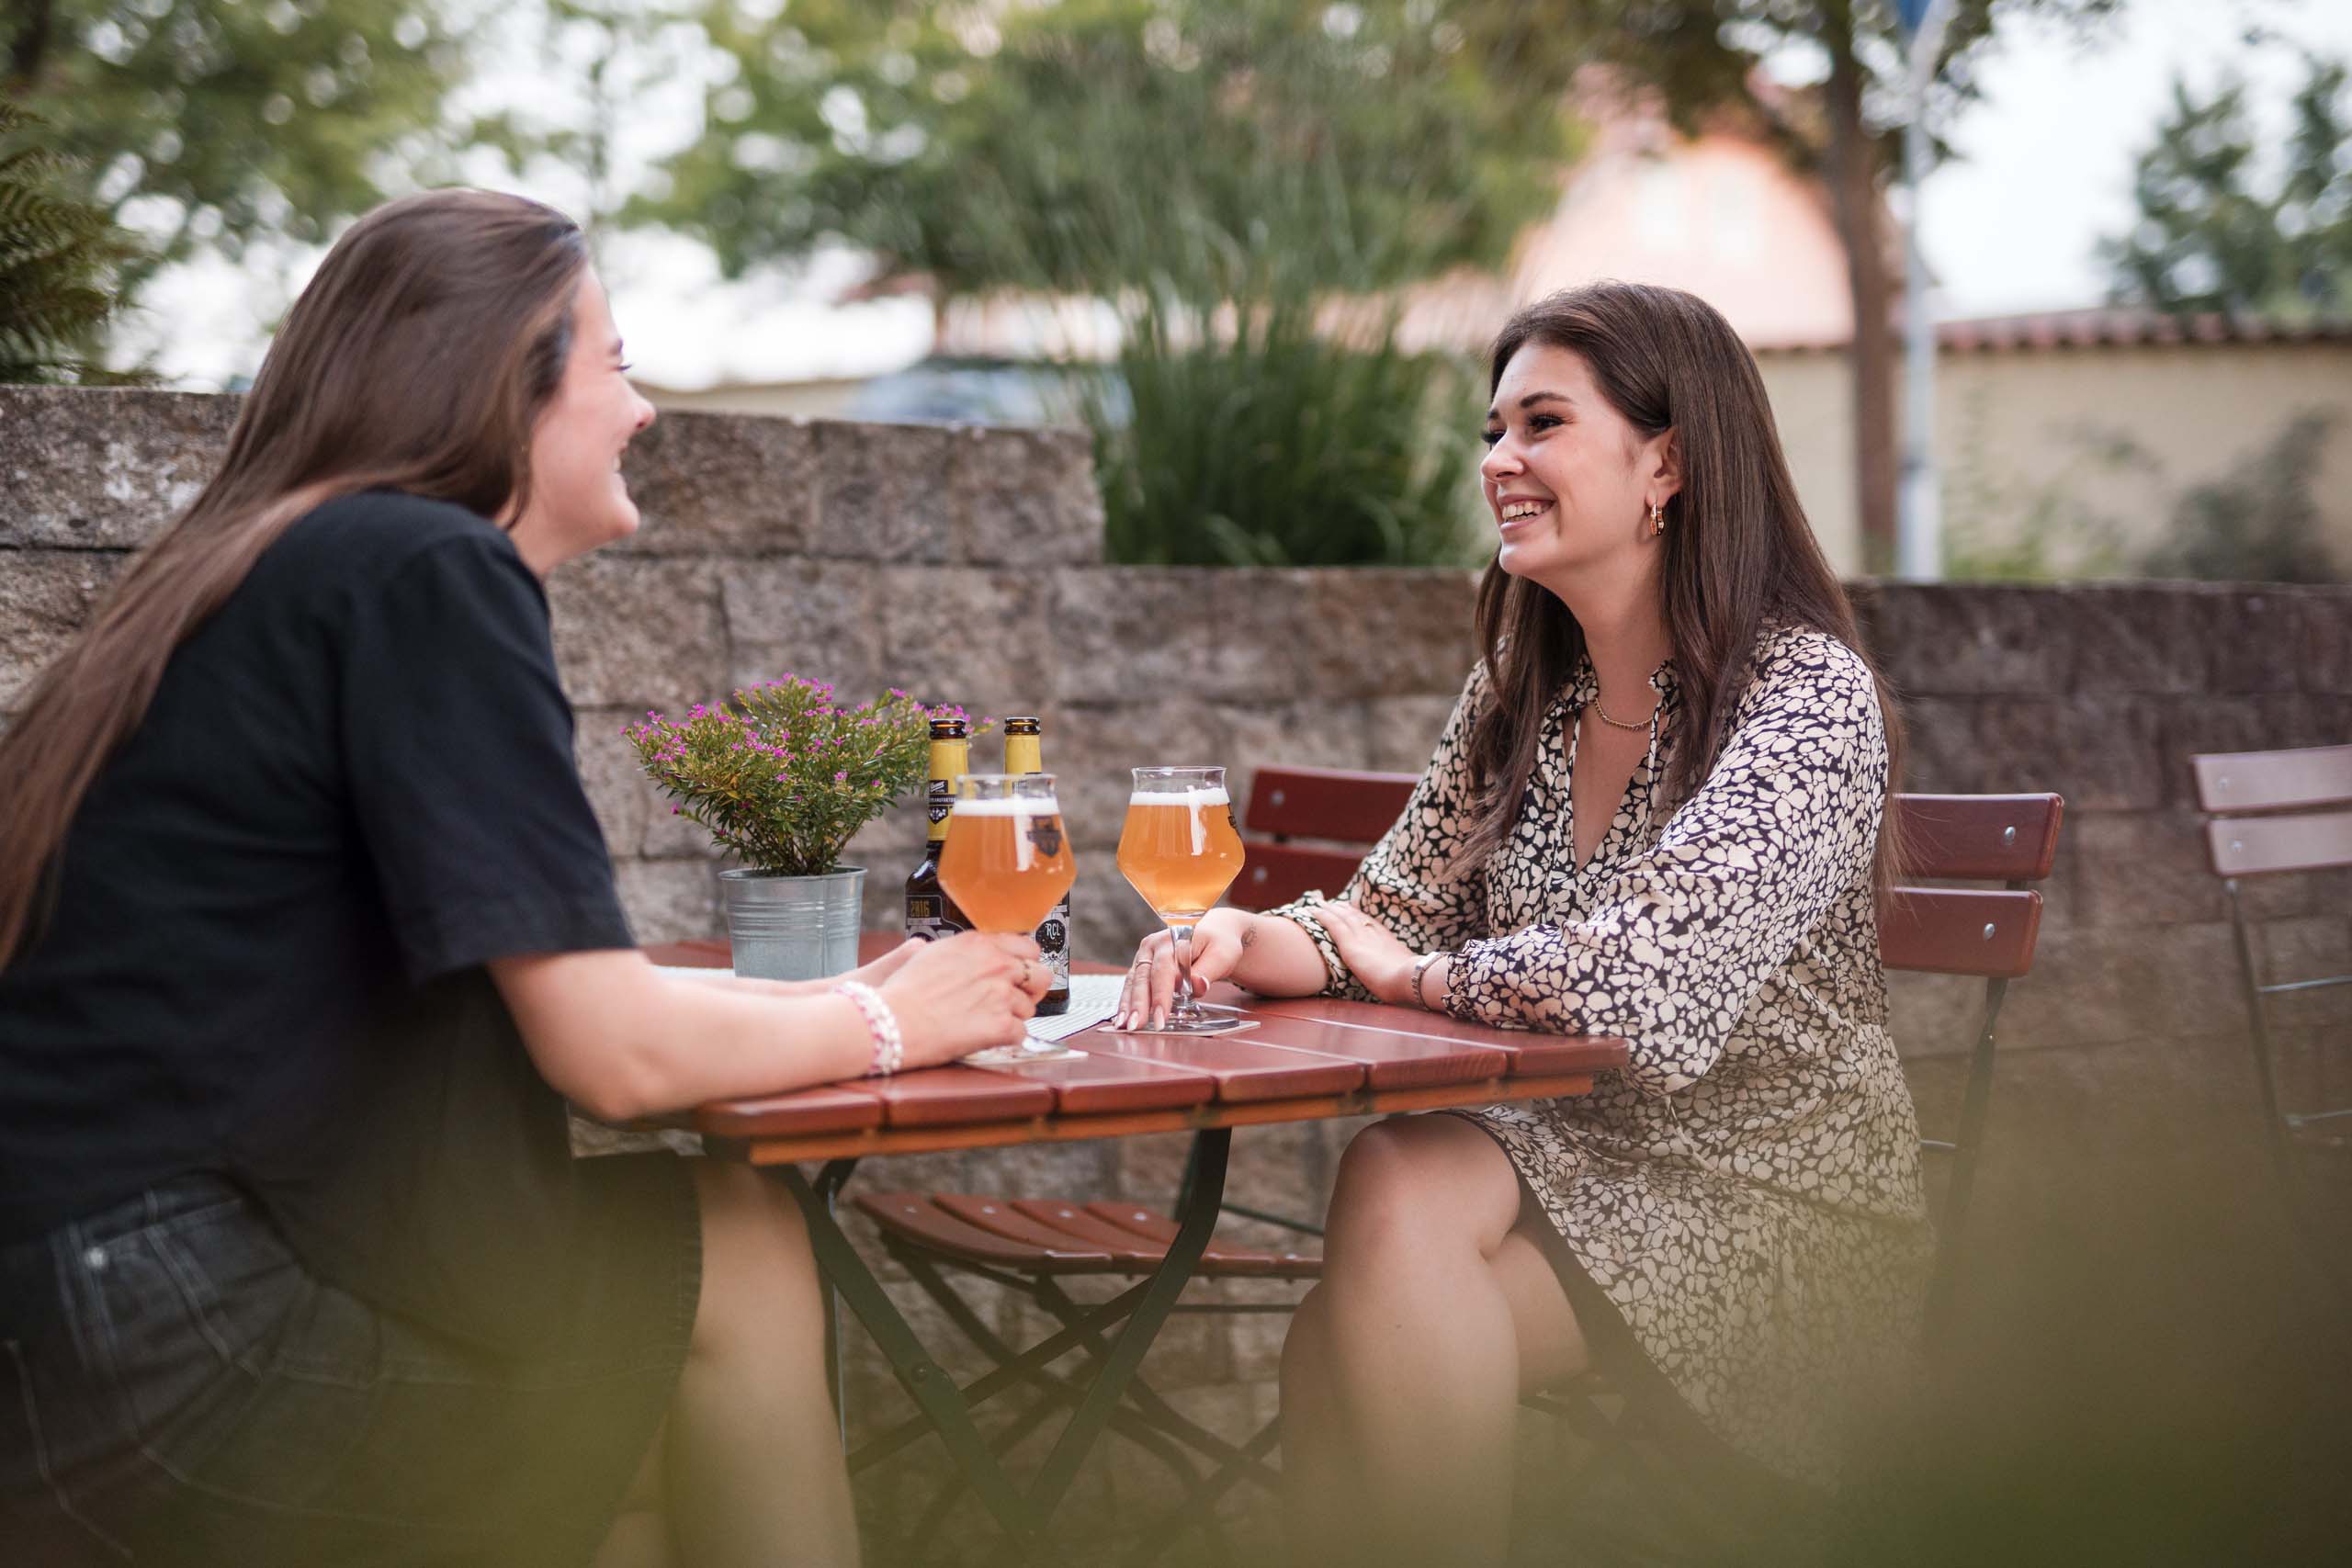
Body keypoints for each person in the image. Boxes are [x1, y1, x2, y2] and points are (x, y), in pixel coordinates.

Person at [0, 189, 1046, 1568]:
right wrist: (897, 1025)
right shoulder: (431, 570)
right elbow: (608, 1050)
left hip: (70, 1323)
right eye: (616, 363)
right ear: (509, 379)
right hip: (168, 1333)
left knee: (622, 1473)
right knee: (732, 1241)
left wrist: (861, 988)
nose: (645, 410)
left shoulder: (272, 565)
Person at [1117, 282, 1932, 1562]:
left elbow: (1642, 991)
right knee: (1391, 1191)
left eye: (1541, 424)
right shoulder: (1525, 689)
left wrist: (1420, 978)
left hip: (1776, 1202)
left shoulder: (1807, 700)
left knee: (1350, 1317)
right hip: (1575, 1163)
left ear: (1667, 461)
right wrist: (1245, 938)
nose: (1499, 462)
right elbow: (1381, 915)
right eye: (1493, 431)